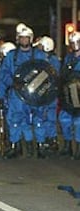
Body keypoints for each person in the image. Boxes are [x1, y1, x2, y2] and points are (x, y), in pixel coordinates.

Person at [0, 23, 48, 159]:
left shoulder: (39, 55)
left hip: (35, 94)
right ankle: (15, 146)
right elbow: (3, 75)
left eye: (27, 38)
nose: (24, 40)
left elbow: (47, 75)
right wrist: (2, 95)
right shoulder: (11, 56)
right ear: (18, 39)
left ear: (31, 39)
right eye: (22, 38)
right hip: (17, 94)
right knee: (14, 120)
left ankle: (41, 146)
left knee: (38, 120)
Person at [34, 36, 60, 157]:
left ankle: (41, 143)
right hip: (52, 94)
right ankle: (52, 140)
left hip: (41, 93)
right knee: (51, 118)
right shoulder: (56, 60)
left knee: (40, 118)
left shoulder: (39, 58)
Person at [59, 31, 80, 160]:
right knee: (64, 119)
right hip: (68, 93)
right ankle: (67, 145)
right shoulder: (68, 58)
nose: (75, 45)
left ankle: (78, 148)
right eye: (73, 43)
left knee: (78, 122)